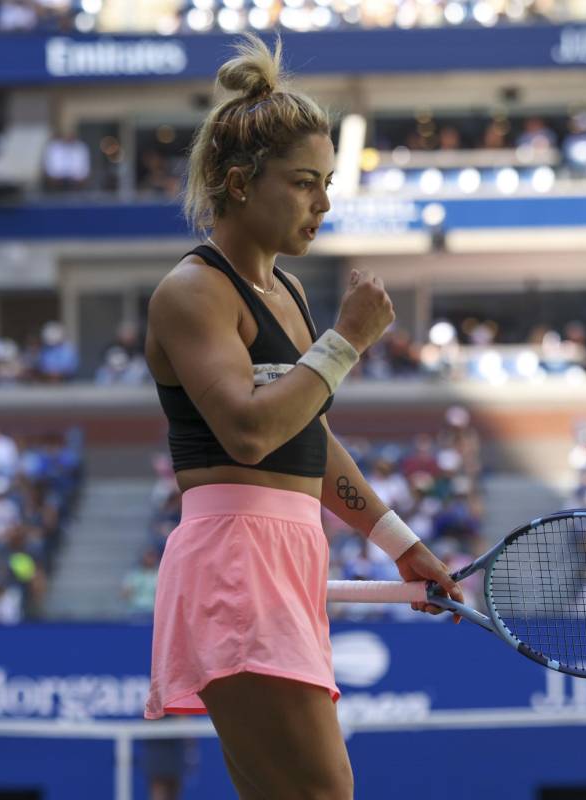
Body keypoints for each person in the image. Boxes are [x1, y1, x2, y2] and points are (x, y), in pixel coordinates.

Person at [141, 33, 462, 799]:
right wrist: (346, 339)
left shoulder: (285, 292)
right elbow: (248, 431)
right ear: (239, 183)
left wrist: (399, 541)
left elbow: (302, 433)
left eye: (328, 183)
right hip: (235, 558)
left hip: (286, 553)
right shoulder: (192, 292)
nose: (323, 203)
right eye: (304, 182)